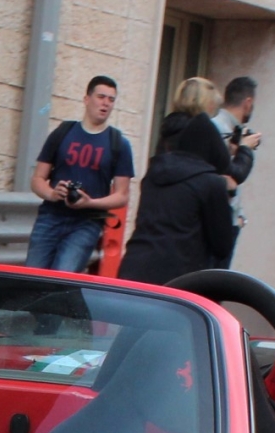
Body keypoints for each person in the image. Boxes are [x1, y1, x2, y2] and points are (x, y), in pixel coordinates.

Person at [115, 92, 235, 287]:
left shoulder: (154, 174)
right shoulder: (210, 183)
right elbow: (222, 246)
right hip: (178, 281)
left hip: (133, 269)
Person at [25, 75, 135, 271]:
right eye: (101, 97)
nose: (106, 104)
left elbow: (122, 195)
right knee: (32, 278)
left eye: (111, 99)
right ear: (87, 99)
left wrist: (90, 203)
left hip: (87, 223)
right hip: (51, 216)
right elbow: (37, 179)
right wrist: (52, 193)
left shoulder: (119, 143)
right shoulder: (63, 132)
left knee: (63, 277)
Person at [213, 75, 261, 245]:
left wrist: (239, 218)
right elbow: (230, 173)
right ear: (248, 103)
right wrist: (245, 148)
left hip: (228, 219)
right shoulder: (218, 128)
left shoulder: (231, 130)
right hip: (217, 220)